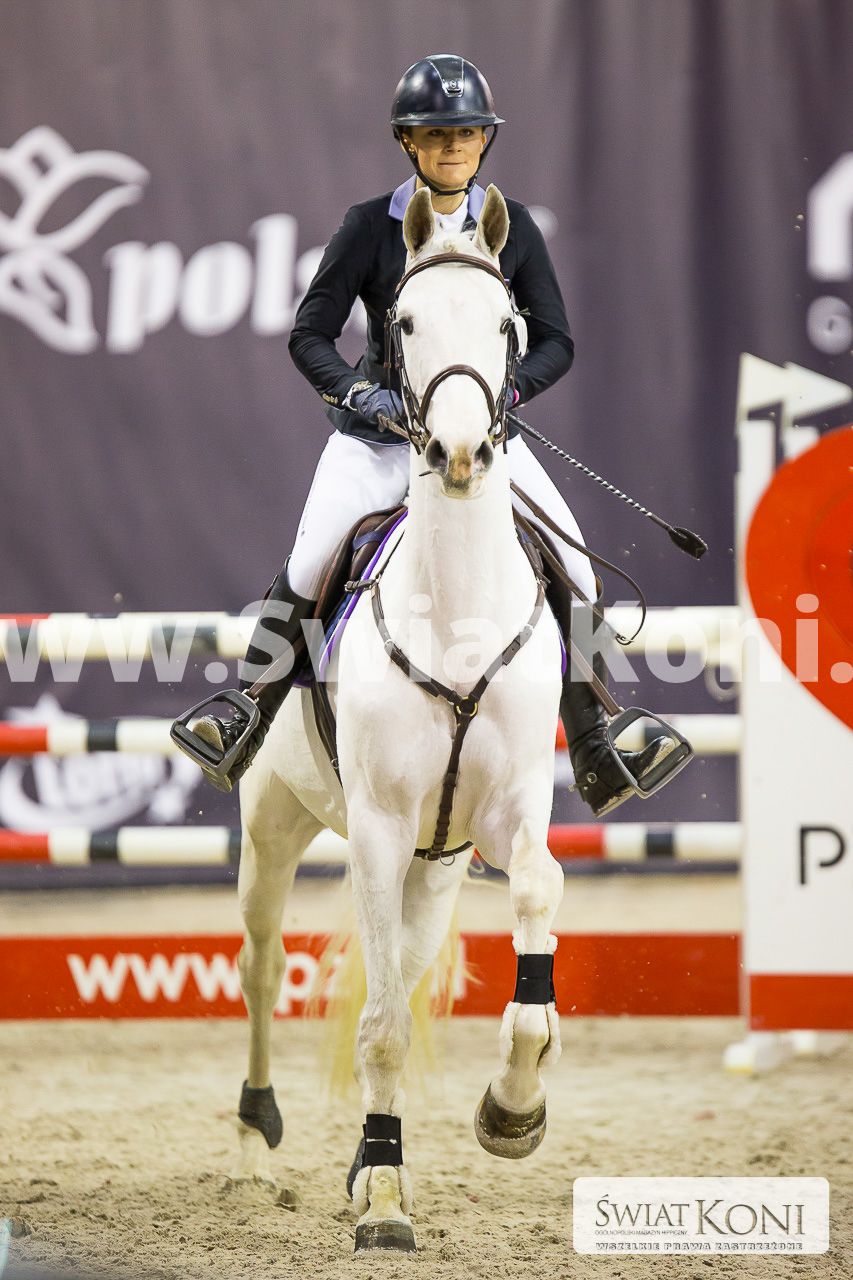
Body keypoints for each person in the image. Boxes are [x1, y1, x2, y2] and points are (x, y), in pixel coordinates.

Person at [173, 53, 666, 813]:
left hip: (482, 437)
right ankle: (246, 711)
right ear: (408, 140)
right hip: (378, 440)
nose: (453, 147)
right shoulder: (369, 226)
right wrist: (361, 394)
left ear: (484, 139)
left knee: (576, 563)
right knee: (310, 561)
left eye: (466, 133)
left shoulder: (511, 228)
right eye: (436, 134)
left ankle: (598, 738)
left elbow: (555, 341)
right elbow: (310, 334)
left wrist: (505, 393)